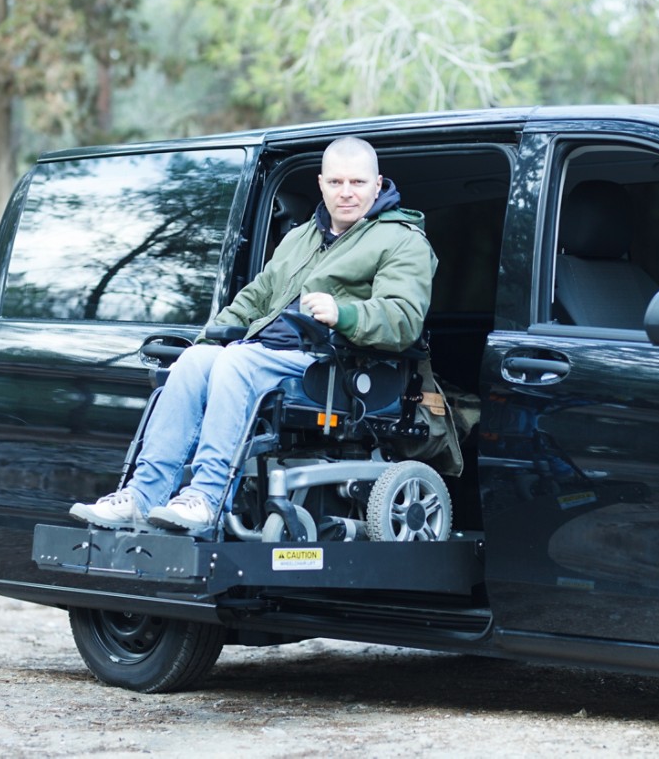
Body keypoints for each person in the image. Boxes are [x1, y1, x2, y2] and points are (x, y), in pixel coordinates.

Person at [71, 136, 437, 537]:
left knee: (236, 361)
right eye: (336, 183)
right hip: (266, 351)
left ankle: (206, 498)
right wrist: (210, 339)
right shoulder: (302, 236)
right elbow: (257, 297)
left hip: (331, 363)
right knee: (195, 360)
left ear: (378, 183)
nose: (346, 193)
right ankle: (141, 495)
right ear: (321, 184)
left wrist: (344, 313)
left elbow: (404, 319)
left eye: (357, 183)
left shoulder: (402, 239)